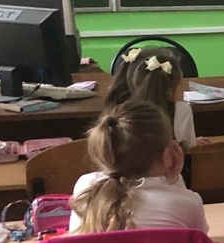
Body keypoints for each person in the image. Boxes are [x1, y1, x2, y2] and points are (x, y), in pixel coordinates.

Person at [69, 100, 207, 233]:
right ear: (167, 156)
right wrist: (174, 180)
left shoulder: (85, 186)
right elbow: (196, 241)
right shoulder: (188, 203)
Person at [104, 46, 196, 148]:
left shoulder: (118, 113)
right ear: (169, 92)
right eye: (180, 85)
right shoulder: (182, 110)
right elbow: (189, 146)